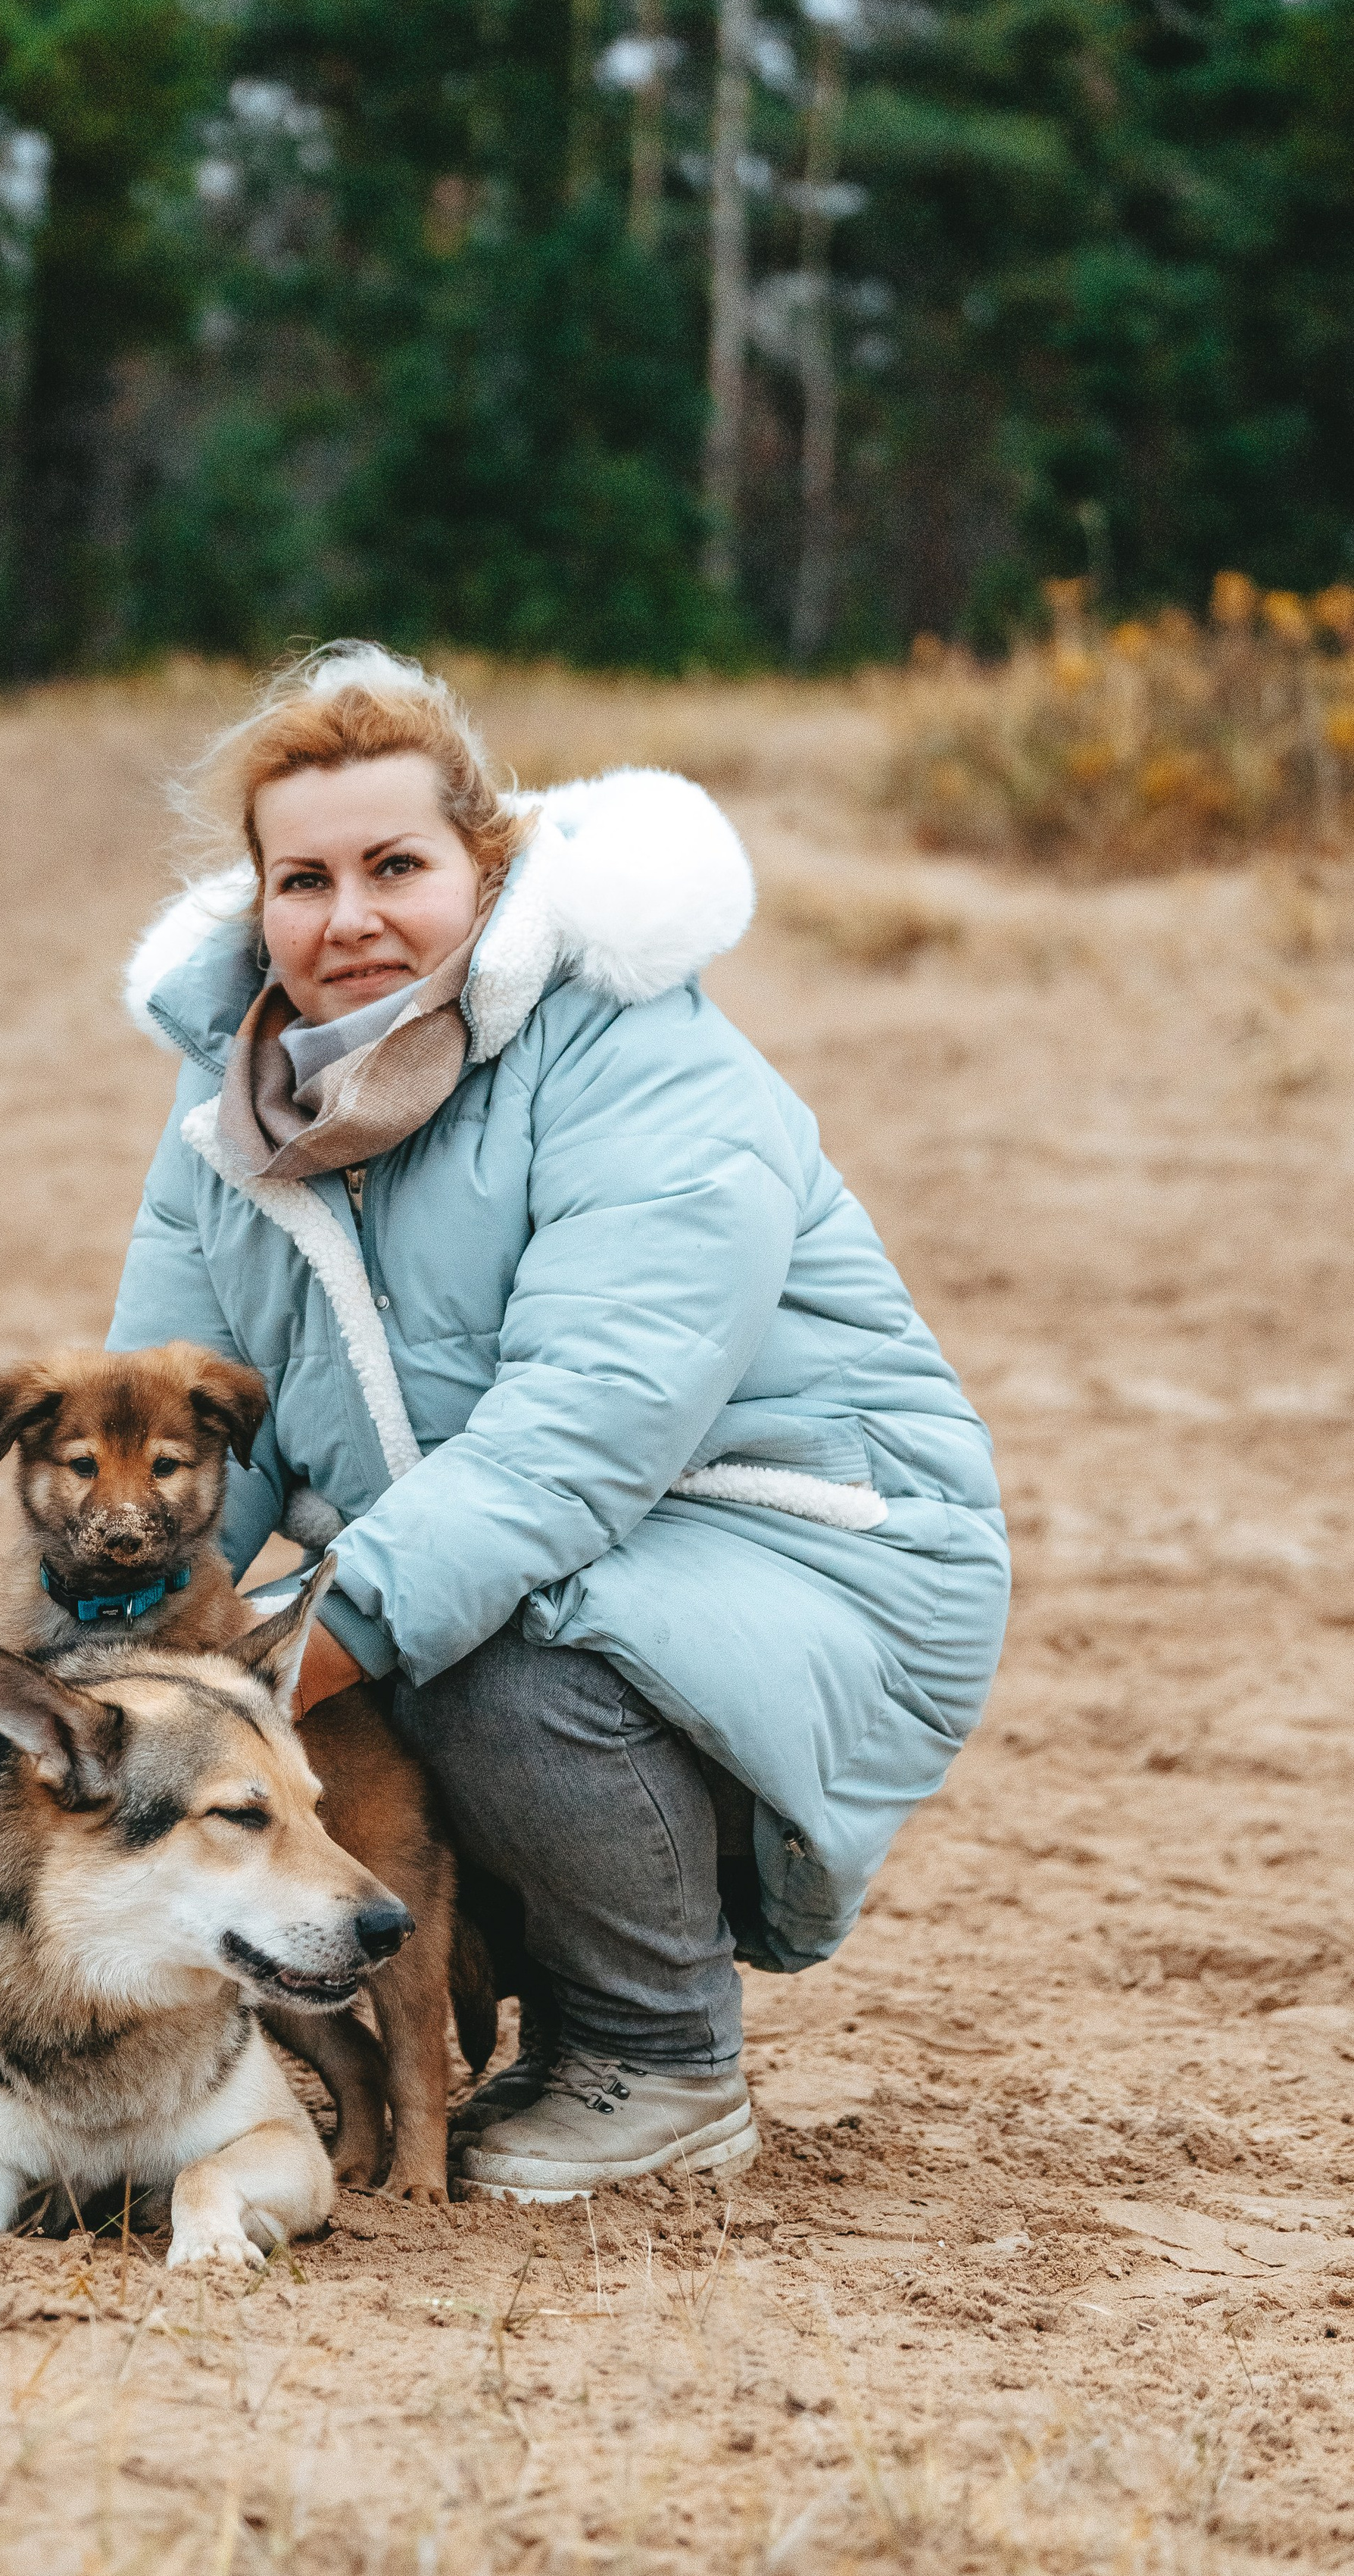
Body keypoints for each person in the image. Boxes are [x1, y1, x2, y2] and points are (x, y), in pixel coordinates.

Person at [109, 645, 1009, 2203]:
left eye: (397, 864)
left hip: (809, 1544)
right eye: (302, 877)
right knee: (335, 1661)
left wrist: (287, 1653)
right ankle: (447, 2032)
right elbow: (189, 1422)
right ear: (252, 901)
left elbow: (580, 1432)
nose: (350, 917)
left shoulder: (639, 1060)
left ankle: (657, 2058)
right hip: (535, 1548)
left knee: (468, 1662)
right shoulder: (230, 1107)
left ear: (487, 862)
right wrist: (112, 1647)